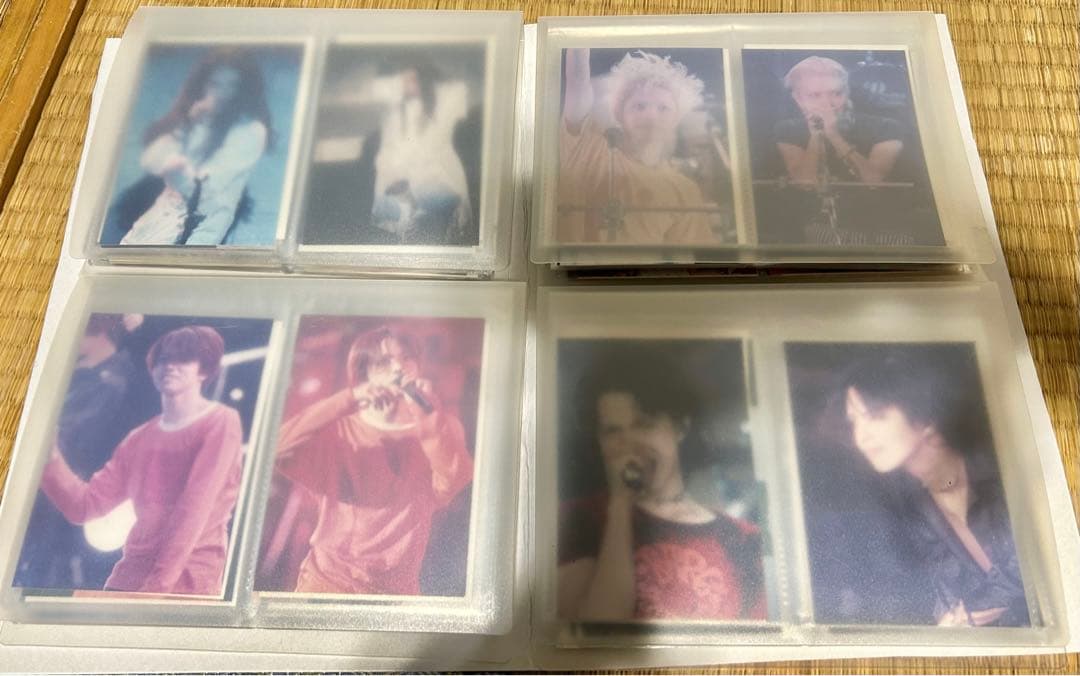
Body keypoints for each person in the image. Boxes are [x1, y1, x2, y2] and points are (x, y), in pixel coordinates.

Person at [38, 326, 244, 595]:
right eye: (163, 359)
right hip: (131, 575)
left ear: (203, 369)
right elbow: (85, 506)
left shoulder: (221, 422)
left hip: (187, 579)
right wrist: (49, 457)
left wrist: (155, 588)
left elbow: (194, 510)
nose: (170, 366)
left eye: (183, 358)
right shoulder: (139, 438)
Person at [558, 354, 765, 621]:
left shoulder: (745, 538)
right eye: (612, 431)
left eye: (644, 425)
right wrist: (620, 507)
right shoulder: (576, 520)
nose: (628, 443)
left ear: (680, 427)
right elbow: (601, 625)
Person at [274, 326, 473, 595]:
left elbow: (453, 481)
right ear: (364, 375)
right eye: (384, 363)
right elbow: (278, 449)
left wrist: (429, 417)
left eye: (406, 358)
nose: (398, 369)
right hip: (326, 584)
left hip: (397, 593)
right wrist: (350, 398)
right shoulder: (339, 430)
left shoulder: (441, 428)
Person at [841, 353, 1029, 627]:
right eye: (854, 422)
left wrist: (966, 616)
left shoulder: (1002, 466)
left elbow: (1034, 572)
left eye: (875, 416)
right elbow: (945, 592)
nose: (861, 437)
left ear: (925, 418)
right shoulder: (910, 505)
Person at [15, 315, 137, 590]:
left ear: (98, 332)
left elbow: (68, 438)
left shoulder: (108, 382)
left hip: (59, 489)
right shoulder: (86, 374)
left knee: (35, 560)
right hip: (50, 485)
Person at [106, 48, 272, 246]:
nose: (222, 94)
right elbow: (151, 160)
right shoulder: (198, 119)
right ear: (203, 85)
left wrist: (175, 170)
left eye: (232, 86)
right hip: (156, 223)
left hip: (202, 228)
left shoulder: (250, 131)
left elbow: (206, 190)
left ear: (244, 90)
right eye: (215, 84)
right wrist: (188, 126)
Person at [557, 48, 717, 245]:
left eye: (663, 108)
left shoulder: (684, 190)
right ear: (619, 114)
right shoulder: (590, 150)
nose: (651, 116)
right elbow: (577, 81)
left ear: (676, 118)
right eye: (639, 106)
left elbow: (689, 257)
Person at [771, 56, 909, 245]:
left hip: (885, 231)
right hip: (819, 232)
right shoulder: (788, 130)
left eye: (836, 93)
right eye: (815, 95)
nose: (828, 104)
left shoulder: (886, 127)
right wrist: (816, 136)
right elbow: (805, 183)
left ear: (848, 91)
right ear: (798, 99)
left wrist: (834, 135)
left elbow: (874, 182)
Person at [364, 62, 472, 245]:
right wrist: (399, 83)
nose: (405, 84)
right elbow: (375, 90)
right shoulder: (395, 110)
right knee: (400, 219)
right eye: (402, 79)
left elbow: (458, 89)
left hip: (433, 181)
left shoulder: (441, 104)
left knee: (435, 220)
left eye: (412, 79)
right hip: (402, 183)